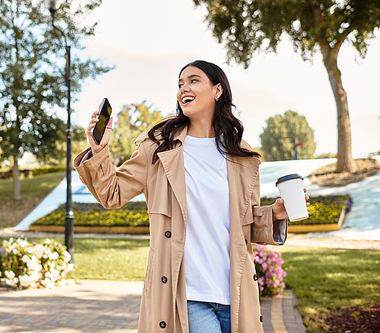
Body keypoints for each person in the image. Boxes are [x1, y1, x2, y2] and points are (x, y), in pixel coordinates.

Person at [74, 60, 308, 333]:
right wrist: (99, 150)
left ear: (217, 90)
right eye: (180, 84)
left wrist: (276, 213)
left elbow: (244, 223)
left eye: (194, 80)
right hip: (188, 292)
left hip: (235, 291)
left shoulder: (242, 155)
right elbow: (111, 193)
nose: (184, 87)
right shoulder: (158, 147)